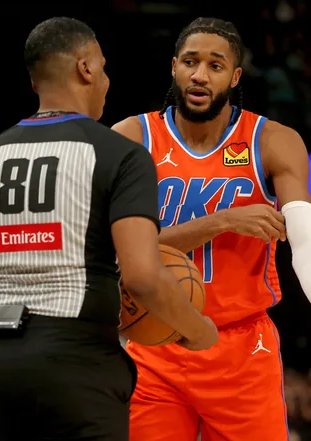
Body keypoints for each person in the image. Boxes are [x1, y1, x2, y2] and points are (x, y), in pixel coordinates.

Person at [0, 17, 218, 441]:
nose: (105, 80)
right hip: (80, 366)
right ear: (84, 68)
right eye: (102, 67)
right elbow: (142, 276)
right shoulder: (121, 155)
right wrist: (198, 330)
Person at [112, 17, 311, 441]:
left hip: (242, 345)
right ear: (173, 67)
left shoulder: (272, 140)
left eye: (215, 65)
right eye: (190, 62)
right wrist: (222, 221)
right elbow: (112, 250)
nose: (200, 74)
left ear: (235, 76)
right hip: (155, 339)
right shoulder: (132, 137)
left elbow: (305, 240)